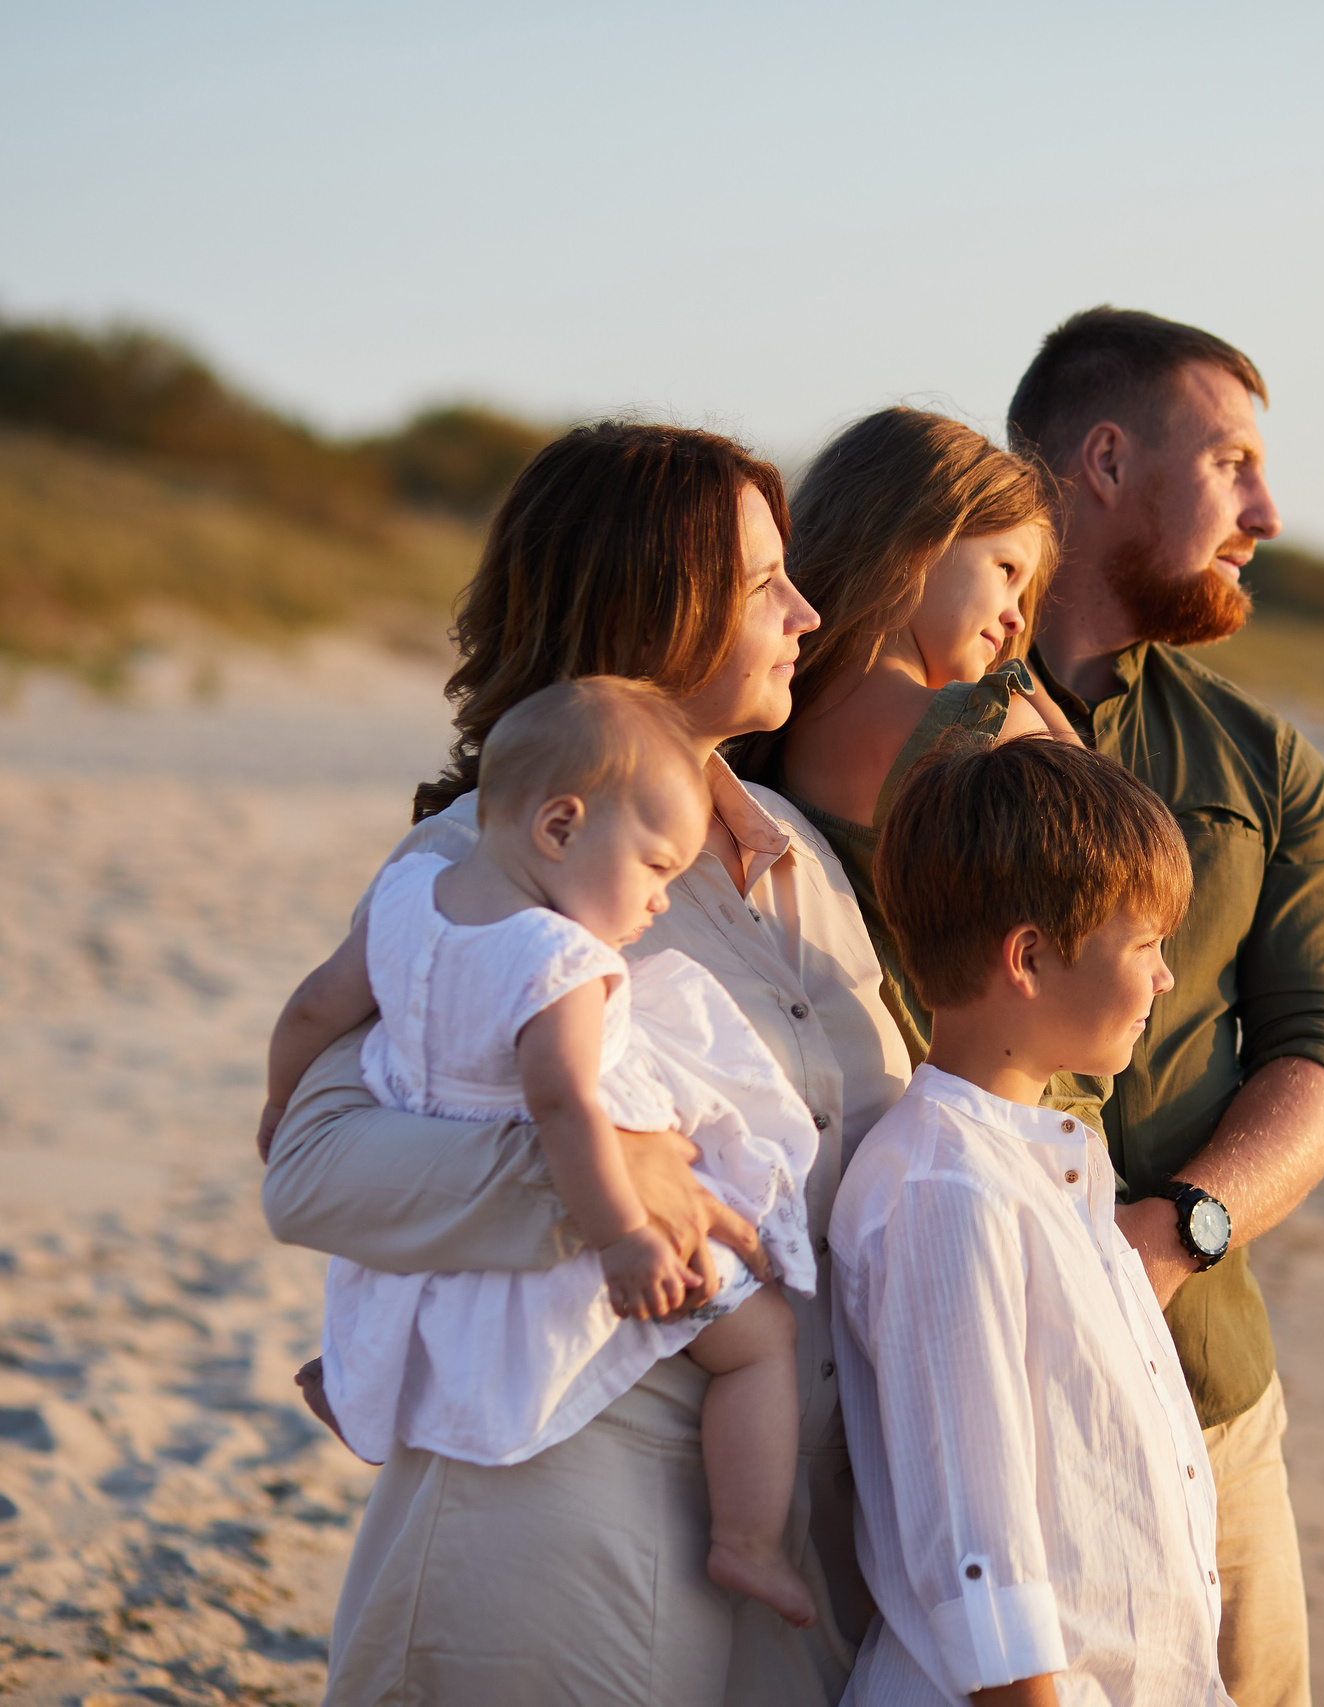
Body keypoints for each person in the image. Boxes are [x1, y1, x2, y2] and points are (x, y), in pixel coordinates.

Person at [261, 420, 906, 1705]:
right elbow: (313, 1172)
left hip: (784, 1512)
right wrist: (609, 1180)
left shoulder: (789, 850)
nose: (807, 609)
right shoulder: (473, 870)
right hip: (552, 1495)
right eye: (762, 581)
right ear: (649, 608)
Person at [259, 676, 819, 1628]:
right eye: (652, 869)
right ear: (560, 827)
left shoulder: (403, 896)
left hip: (426, 1157)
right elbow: (564, 1105)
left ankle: (359, 1387)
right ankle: (748, 1540)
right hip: (570, 1194)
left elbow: (316, 1004)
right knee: (761, 1338)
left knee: (403, 1291)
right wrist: (623, 1240)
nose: (655, 902)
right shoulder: (561, 961)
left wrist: (283, 1102)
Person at [1006, 309, 1324, 1707]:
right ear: (1106, 459)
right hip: (935, 1377)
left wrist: (1177, 1230)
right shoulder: (882, 712)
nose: (1268, 512)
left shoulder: (1265, 765)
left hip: (1203, 1387)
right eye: (1232, 464)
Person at [833, 737, 1230, 1707]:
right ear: (1030, 956)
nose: (1167, 979)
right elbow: (978, 1540)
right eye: (1146, 947)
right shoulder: (945, 1189)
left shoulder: (1049, 1163)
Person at [728, 406, 1080, 1070]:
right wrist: (1018, 681)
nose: (1014, 616)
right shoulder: (984, 727)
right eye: (1007, 570)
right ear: (918, 537)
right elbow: (1118, 846)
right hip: (990, 1096)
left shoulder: (772, 713)